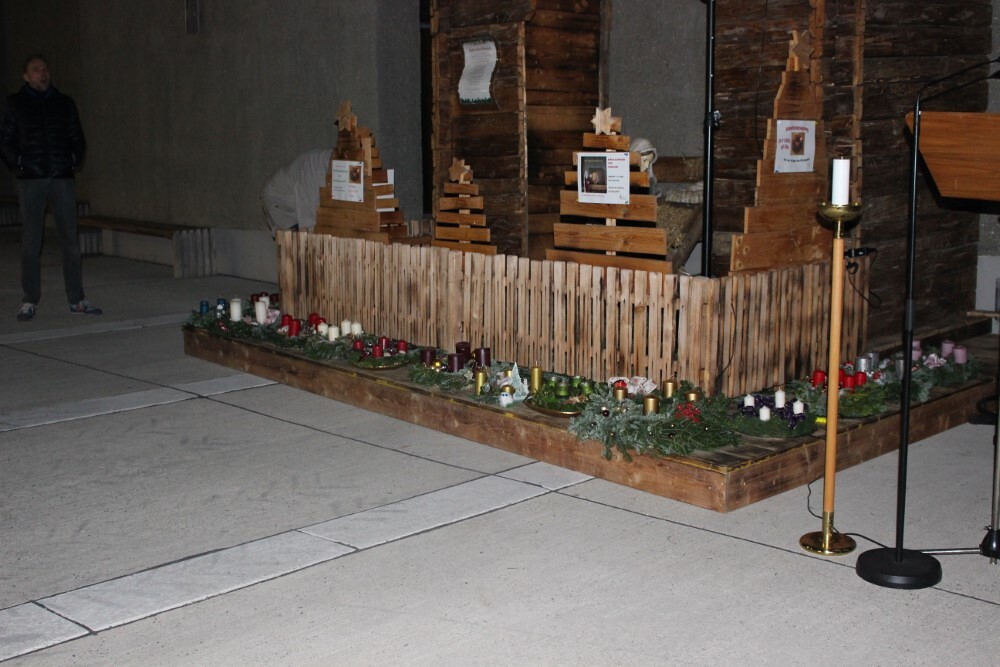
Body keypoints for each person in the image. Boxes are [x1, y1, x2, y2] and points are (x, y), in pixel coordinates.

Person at [0, 54, 100, 321]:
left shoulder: (64, 102)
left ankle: (77, 299)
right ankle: (29, 299)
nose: (42, 73)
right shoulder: (15, 103)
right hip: (31, 180)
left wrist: (73, 160)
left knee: (71, 241)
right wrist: (20, 164)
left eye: (44, 69)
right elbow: (5, 140)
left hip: (61, 178)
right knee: (31, 241)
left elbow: (77, 137)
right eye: (35, 70)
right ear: (26, 77)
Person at [260, 148, 333, 233]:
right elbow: (309, 219)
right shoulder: (311, 174)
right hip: (279, 199)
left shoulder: (333, 162)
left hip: (298, 195)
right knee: (301, 235)